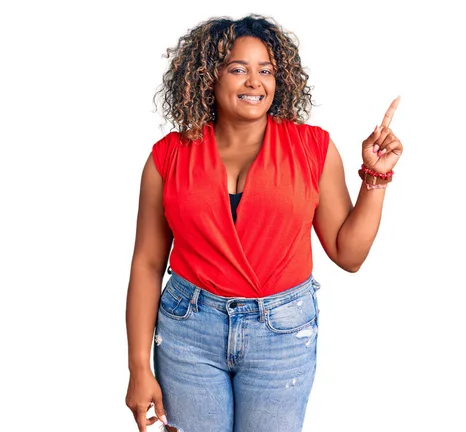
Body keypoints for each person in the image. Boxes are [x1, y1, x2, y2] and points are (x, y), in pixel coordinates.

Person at [125, 14, 403, 432]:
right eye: (238, 69)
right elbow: (147, 264)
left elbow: (349, 255)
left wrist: (376, 178)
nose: (255, 82)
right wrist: (137, 368)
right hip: (188, 332)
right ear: (208, 78)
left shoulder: (312, 148)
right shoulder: (168, 157)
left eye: (266, 70)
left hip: (282, 334)